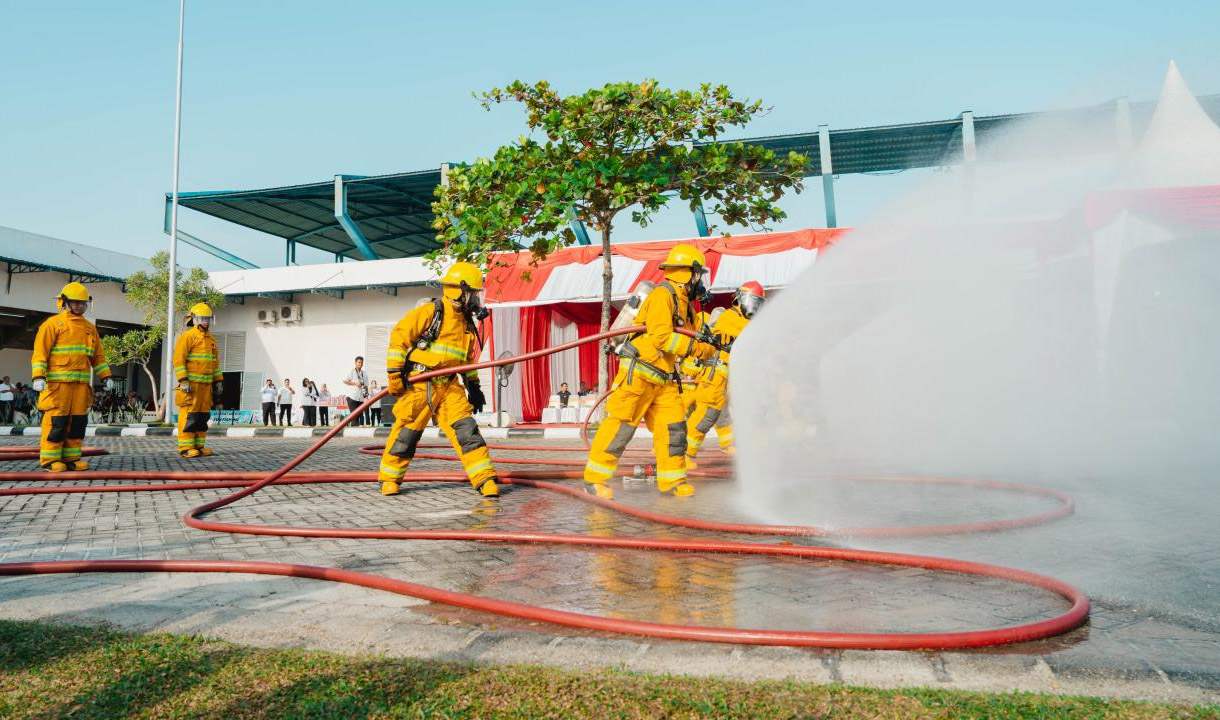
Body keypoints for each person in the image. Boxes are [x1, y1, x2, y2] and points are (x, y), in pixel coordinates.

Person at [583, 245, 717, 499]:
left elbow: (689, 337)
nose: (701, 282)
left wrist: (708, 348)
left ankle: (672, 481)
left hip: (664, 379)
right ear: (688, 273)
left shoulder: (684, 303)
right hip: (639, 374)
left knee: (674, 429)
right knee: (621, 427)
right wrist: (700, 352)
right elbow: (662, 337)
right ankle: (594, 480)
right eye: (699, 275)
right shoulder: (662, 295)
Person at [379, 261, 500, 498]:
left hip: (450, 387)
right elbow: (398, 340)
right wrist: (395, 374)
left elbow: (466, 360)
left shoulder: (466, 324)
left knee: (468, 432)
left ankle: (484, 478)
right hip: (420, 384)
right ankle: (390, 478)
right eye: (473, 293)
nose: (476, 298)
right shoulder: (429, 312)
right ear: (459, 290)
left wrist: (474, 386)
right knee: (406, 434)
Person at [30, 282, 114, 471]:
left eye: (82, 303)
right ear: (64, 302)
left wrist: (105, 376)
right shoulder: (52, 324)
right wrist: (38, 377)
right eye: (75, 302)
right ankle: (50, 460)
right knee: (56, 423)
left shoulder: (89, 328)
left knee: (77, 423)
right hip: (58, 386)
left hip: (80, 386)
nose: (78, 306)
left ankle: (71, 458)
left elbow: (98, 356)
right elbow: (40, 353)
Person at [685, 281, 765, 468]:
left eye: (759, 303)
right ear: (742, 300)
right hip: (714, 376)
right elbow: (751, 334)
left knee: (718, 416)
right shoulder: (731, 317)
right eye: (754, 302)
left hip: (723, 379)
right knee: (705, 416)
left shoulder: (744, 321)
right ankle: (683, 454)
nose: (755, 308)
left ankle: (725, 445)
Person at [172, 303, 222, 458]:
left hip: (206, 387)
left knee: (202, 417)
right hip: (191, 387)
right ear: (193, 319)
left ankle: (199, 446)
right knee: (189, 417)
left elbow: (215, 364)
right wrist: (184, 381)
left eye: (208, 318)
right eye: (202, 318)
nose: (205, 321)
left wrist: (218, 382)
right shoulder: (187, 337)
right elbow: (178, 360)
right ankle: (185, 448)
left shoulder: (211, 341)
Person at [343, 356, 368, 426]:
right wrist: (355, 383)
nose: (361, 363)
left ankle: (357, 433)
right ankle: (352, 433)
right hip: (352, 397)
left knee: (360, 416)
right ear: (355, 363)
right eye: (359, 362)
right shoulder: (352, 371)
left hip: (361, 398)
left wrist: (366, 393)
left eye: (362, 362)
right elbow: (345, 381)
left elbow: (366, 386)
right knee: (354, 417)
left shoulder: (364, 373)